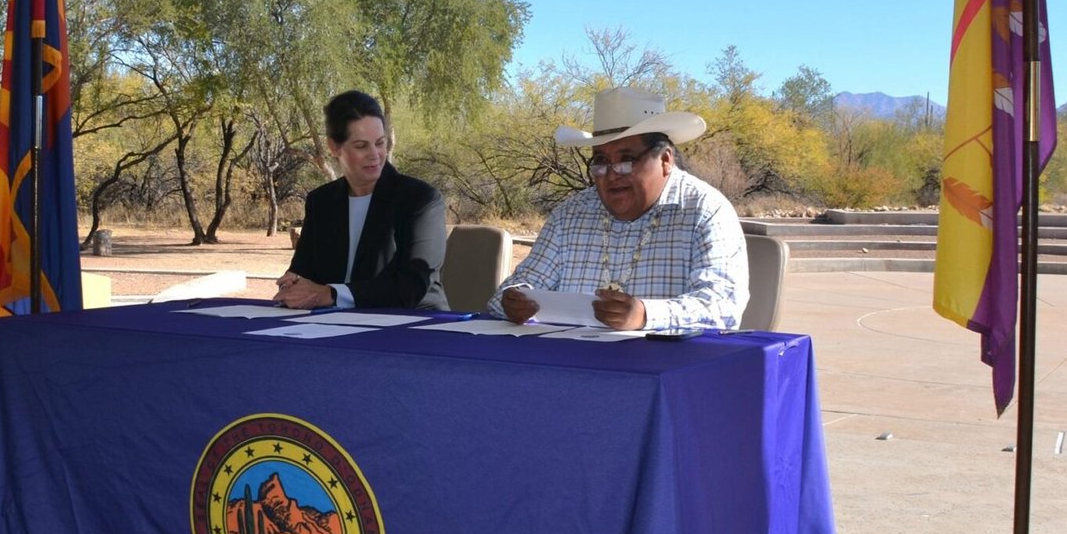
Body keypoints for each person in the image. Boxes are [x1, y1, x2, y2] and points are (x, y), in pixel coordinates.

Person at [488, 87, 748, 331]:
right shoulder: (570, 214)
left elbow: (722, 306)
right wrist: (513, 302)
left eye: (626, 160)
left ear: (666, 160)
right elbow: (510, 291)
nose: (611, 175)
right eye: (601, 161)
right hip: (573, 366)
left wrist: (646, 315)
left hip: (665, 370)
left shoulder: (706, 211)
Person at [274, 90, 448, 311]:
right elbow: (305, 272)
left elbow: (411, 287)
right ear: (334, 147)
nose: (375, 154)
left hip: (412, 326)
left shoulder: (420, 200)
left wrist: (331, 294)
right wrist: (294, 283)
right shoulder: (321, 201)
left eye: (380, 143)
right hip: (333, 325)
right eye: (361, 146)